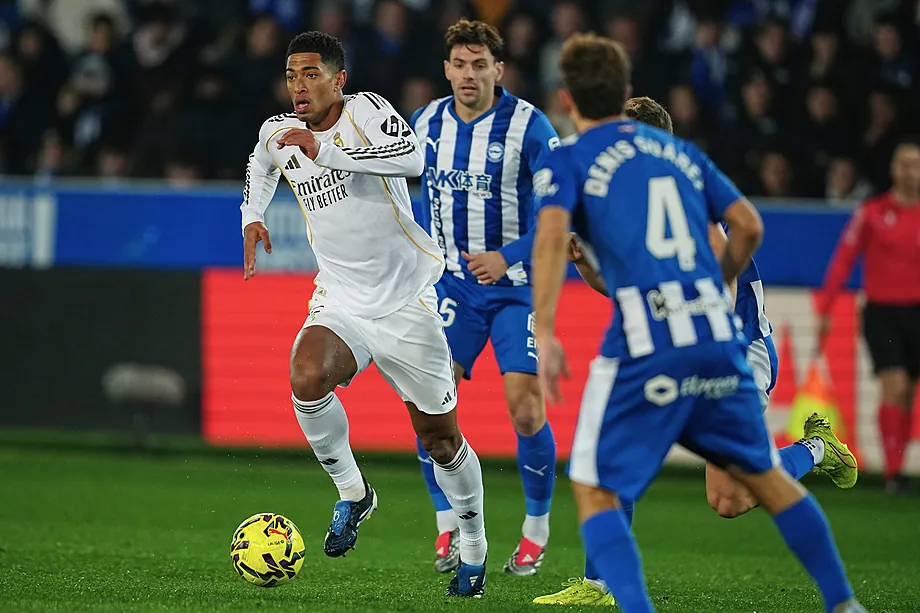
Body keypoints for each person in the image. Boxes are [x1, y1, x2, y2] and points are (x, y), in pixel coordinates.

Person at [530, 33, 866, 613]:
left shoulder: (582, 161)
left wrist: (549, 320)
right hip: (705, 338)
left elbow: (557, 239)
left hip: (729, 343)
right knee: (730, 491)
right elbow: (744, 230)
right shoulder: (686, 164)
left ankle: (814, 448)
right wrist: (603, 269)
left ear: (571, 100)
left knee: (655, 484)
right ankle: (842, 602)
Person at [239, 31, 487, 598]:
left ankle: (473, 543)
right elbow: (261, 164)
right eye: (291, 75)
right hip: (343, 297)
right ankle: (354, 493)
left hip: (407, 299)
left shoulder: (369, 111)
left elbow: (413, 158)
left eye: (310, 74)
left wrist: (327, 151)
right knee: (305, 377)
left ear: (337, 79)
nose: (299, 86)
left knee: (440, 440)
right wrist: (252, 216)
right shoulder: (278, 131)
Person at [409, 19, 561, 576]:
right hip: (451, 287)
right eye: (459, 65)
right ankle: (448, 525)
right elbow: (416, 202)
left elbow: (556, 210)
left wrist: (508, 256)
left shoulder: (530, 126)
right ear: (446, 69)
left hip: (515, 289)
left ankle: (536, 531)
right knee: (430, 407)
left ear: (499, 70)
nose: (468, 75)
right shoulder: (425, 123)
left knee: (524, 409)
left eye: (480, 66)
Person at [817, 139, 920, 494]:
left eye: (915, 165)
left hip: (917, 312)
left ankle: (899, 466)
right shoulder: (873, 212)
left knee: (909, 395)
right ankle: (893, 473)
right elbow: (844, 258)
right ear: (893, 169)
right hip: (883, 313)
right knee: (895, 386)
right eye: (903, 163)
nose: (909, 171)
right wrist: (826, 307)